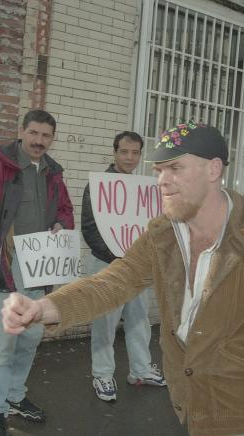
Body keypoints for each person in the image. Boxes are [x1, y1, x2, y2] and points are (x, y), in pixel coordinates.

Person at [1, 122, 244, 436]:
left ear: (213, 170)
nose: (162, 182)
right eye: (159, 171)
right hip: (184, 397)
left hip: (236, 403)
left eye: (176, 168)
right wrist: (43, 308)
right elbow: (113, 282)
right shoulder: (163, 233)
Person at [0, 109, 74, 436]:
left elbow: (65, 210)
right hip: (6, 264)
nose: (39, 141)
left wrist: (62, 224)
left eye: (46, 136)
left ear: (52, 138)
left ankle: (15, 395)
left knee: (31, 337)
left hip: (39, 267)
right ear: (22, 131)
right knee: (1, 343)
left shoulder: (53, 172)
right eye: (33, 133)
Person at [81, 131, 166, 402]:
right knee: (104, 323)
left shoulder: (145, 190)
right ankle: (103, 375)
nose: (130, 157)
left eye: (135, 152)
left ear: (140, 154)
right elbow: (90, 229)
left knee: (140, 319)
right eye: (124, 152)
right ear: (114, 152)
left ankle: (140, 370)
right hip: (107, 265)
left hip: (137, 268)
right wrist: (118, 256)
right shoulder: (98, 185)